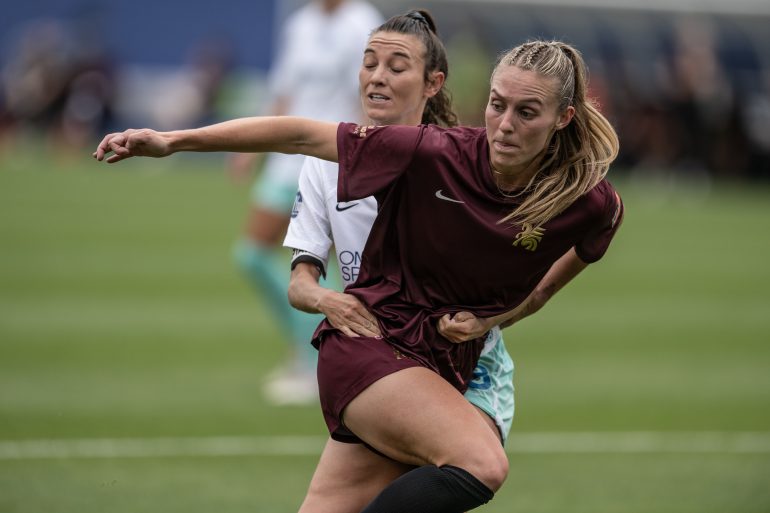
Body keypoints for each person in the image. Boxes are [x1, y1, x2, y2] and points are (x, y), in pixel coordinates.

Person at [94, 36, 624, 513]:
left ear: (564, 117)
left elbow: (558, 275)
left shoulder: (591, 203)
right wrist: (171, 141)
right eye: (496, 104)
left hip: (444, 364)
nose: (504, 125)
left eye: (526, 112)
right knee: (480, 464)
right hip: (374, 345)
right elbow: (299, 135)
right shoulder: (435, 152)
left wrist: (498, 317)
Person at [283, 11, 515, 512]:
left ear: (434, 83)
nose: (377, 76)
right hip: (377, 356)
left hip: (460, 364)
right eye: (369, 63)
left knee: (462, 469)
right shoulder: (324, 164)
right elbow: (300, 284)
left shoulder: (462, 162)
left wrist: (487, 317)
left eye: (395, 65)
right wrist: (330, 300)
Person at [230, 0, 383, 404]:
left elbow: (367, 95)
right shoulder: (301, 22)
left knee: (330, 262)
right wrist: (251, 148)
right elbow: (284, 90)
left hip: (332, 158)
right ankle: (311, 347)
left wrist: (358, 153)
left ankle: (319, 358)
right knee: (251, 254)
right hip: (286, 159)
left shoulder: (363, 23)